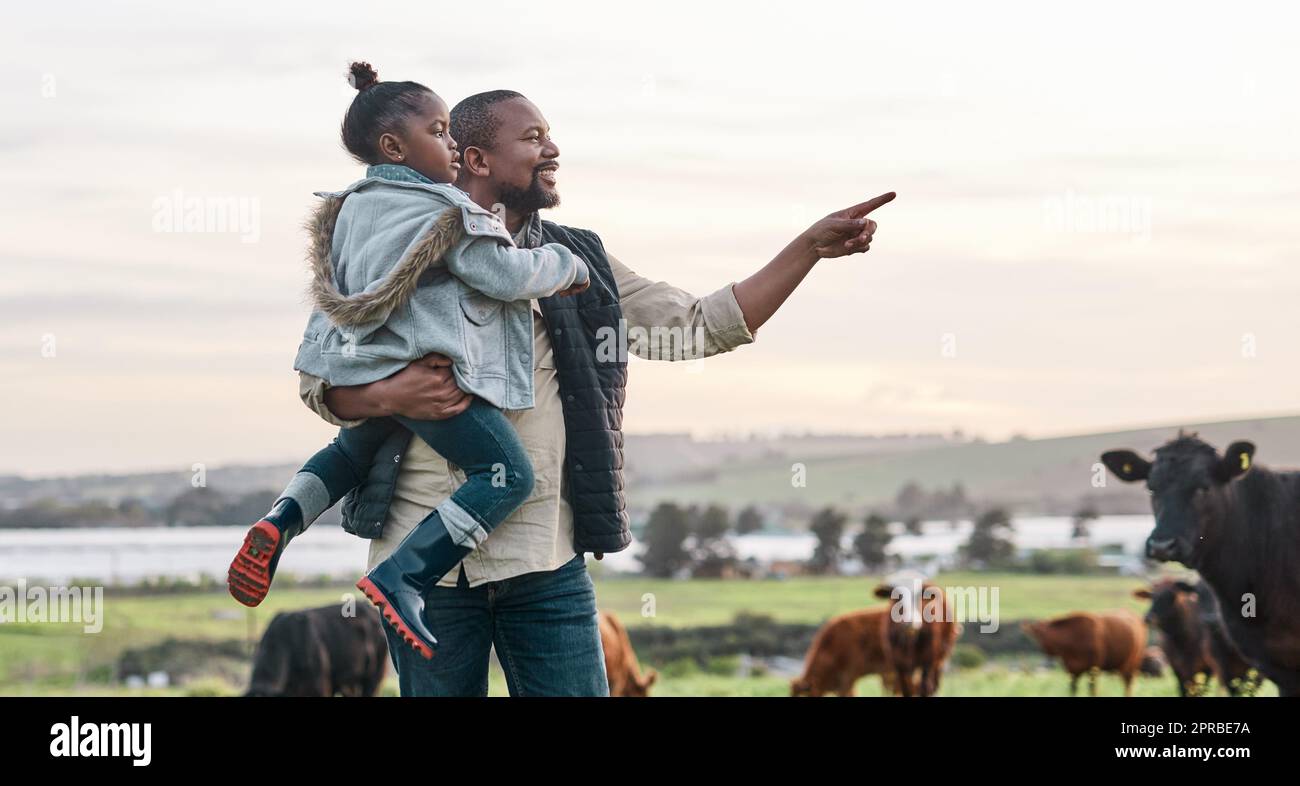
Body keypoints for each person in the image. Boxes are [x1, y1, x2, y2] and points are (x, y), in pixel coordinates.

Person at [301, 89, 894, 695]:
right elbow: (320, 382)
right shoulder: (389, 240)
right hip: (421, 575)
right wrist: (390, 394)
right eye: (532, 138)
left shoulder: (580, 258)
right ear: (475, 159)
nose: (552, 149)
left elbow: (695, 327)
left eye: (548, 134)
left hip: (546, 567)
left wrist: (807, 251)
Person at [227, 65, 590, 661]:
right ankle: (408, 576)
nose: (449, 144)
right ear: (395, 146)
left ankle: (281, 520)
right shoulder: (442, 210)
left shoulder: (349, 210)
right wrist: (566, 267)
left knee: (352, 450)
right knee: (506, 476)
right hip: (427, 376)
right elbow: (503, 275)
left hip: (364, 368)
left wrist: (376, 390)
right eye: (439, 131)